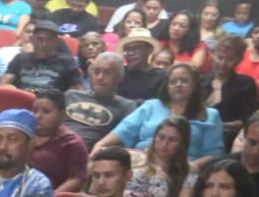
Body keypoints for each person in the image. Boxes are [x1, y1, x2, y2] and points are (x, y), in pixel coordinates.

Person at [94, 63, 224, 163]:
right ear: (167, 86)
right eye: (173, 82)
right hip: (142, 162)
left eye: (184, 81)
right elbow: (124, 130)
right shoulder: (151, 106)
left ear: (194, 85)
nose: (178, 85)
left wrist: (191, 167)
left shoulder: (211, 115)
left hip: (183, 168)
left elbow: (214, 154)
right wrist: (100, 145)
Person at [123, 115, 197, 197]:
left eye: (172, 140)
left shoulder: (191, 169)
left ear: (182, 143)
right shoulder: (135, 157)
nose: (164, 144)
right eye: (161, 137)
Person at [64, 52, 137, 148]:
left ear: (120, 76)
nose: (100, 78)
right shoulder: (71, 95)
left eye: (107, 73)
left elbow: (122, 140)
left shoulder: (126, 106)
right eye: (96, 72)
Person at [27, 89, 89, 193]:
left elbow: (76, 180)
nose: (38, 116)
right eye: (34, 110)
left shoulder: (72, 143)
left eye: (46, 111)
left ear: (62, 115)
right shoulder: (22, 134)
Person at [0, 19, 81, 92]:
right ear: (32, 39)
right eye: (40, 39)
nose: (44, 44)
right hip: (23, 100)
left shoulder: (67, 62)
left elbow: (77, 91)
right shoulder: (20, 58)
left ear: (56, 42)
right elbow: (2, 85)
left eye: (49, 40)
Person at [206, 35, 258, 144]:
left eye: (229, 60)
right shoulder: (201, 80)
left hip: (226, 136)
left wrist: (218, 125)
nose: (222, 63)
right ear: (213, 55)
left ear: (239, 60)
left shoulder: (245, 84)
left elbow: (246, 120)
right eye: (220, 57)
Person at [116, 28, 168, 103]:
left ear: (149, 49)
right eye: (127, 49)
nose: (130, 53)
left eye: (136, 48)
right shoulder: (119, 73)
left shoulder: (160, 76)